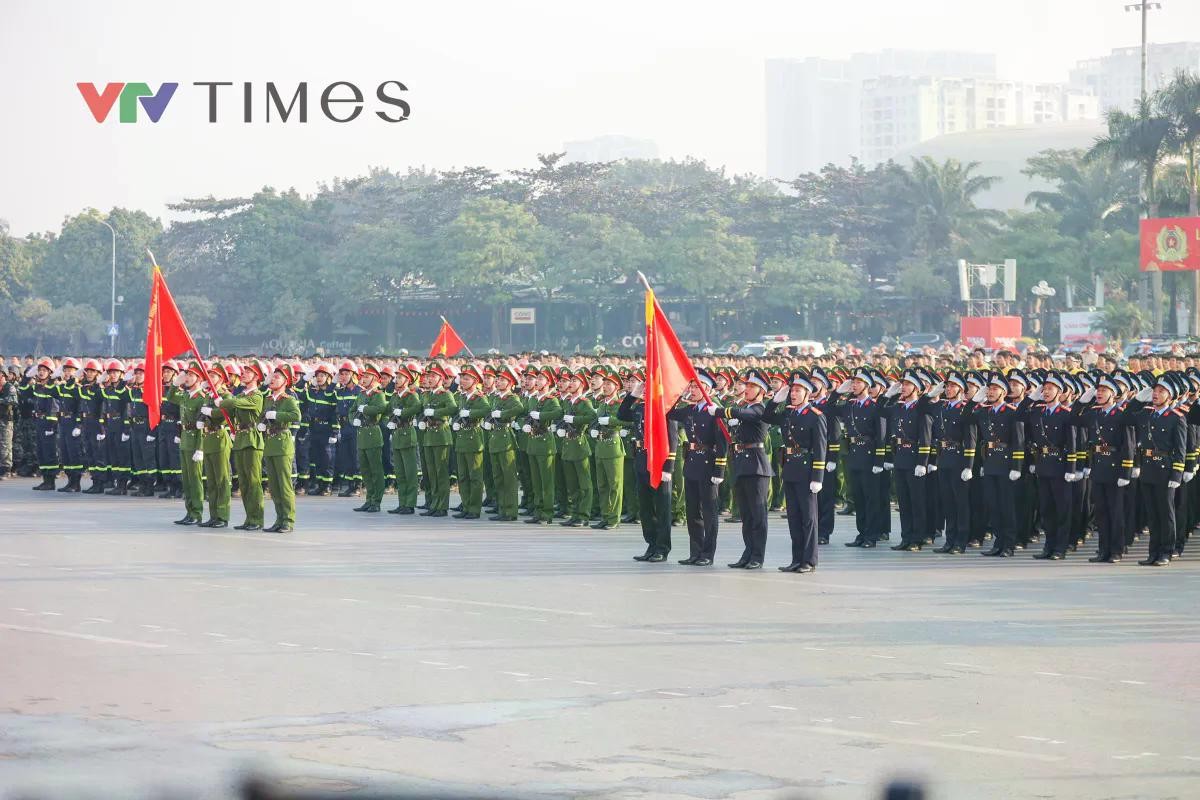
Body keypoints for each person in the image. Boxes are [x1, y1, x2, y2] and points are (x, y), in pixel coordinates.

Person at [762, 370, 827, 573]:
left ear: (807, 393)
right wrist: (775, 399)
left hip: (807, 471)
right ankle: (796, 559)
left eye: (798, 390)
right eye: (792, 390)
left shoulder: (816, 416)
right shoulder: (789, 413)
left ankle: (809, 561)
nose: (793, 394)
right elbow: (767, 416)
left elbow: (820, 448)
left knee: (808, 518)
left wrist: (817, 477)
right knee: (794, 518)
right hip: (790, 469)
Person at [709, 369, 773, 569]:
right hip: (741, 463)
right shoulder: (744, 407)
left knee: (758, 514)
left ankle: (757, 556)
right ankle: (747, 553)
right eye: (747, 385)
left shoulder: (760, 409)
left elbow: (745, 414)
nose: (747, 389)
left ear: (761, 391)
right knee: (746, 515)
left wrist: (720, 411)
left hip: (756, 465)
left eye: (752, 386)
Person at [667, 369, 726, 565]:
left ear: (706, 389)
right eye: (691, 386)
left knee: (709, 512)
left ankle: (708, 554)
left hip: (708, 464)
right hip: (692, 463)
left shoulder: (714, 410)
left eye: (696, 387)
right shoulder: (690, 409)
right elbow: (669, 412)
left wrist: (719, 470)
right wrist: (679, 396)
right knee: (692, 511)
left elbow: (722, 442)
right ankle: (696, 551)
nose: (692, 390)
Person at [617, 379, 677, 562]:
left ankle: (662, 547)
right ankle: (651, 544)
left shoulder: (665, 408)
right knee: (645, 506)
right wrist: (633, 394)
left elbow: (672, 439)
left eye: (648, 388)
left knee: (662, 507)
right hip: (642, 459)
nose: (645, 391)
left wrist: (669, 467)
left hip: (659, 461)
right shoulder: (641, 407)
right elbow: (622, 414)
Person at [831, 368, 886, 547]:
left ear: (867, 386)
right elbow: (829, 407)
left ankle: (872, 535)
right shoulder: (850, 405)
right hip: (854, 454)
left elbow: (881, 435)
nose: (854, 385)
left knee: (871, 499)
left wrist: (879, 461)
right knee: (859, 498)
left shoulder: (875, 406)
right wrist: (839, 391)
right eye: (853, 382)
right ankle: (861, 533)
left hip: (870, 456)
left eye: (858, 382)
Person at [973, 372, 1025, 558]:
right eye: (989, 389)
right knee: (993, 506)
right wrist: (977, 398)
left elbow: (1018, 441)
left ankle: (1008, 545)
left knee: (1007, 507)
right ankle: (998, 542)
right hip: (990, 464)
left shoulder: (1012, 412)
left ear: (1003, 392)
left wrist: (1016, 467)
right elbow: (966, 418)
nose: (991, 392)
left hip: (1006, 465)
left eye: (995, 389)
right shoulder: (984, 411)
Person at [928, 372, 977, 554]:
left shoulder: (965, 409)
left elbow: (971, 439)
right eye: (947, 386)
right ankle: (949, 540)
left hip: (959, 460)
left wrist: (969, 466)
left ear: (961, 390)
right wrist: (935, 391)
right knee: (948, 502)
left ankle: (960, 541)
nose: (948, 389)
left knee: (961, 503)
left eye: (952, 386)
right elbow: (922, 407)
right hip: (944, 459)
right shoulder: (942, 407)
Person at [219, 360, 266, 531]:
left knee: (254, 482)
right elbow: (230, 409)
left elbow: (233, 403)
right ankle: (249, 518)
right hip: (240, 440)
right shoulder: (241, 395)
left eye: (248, 372)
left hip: (252, 440)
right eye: (243, 371)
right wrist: (218, 394)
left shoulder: (257, 396)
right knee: (244, 483)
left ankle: (257, 519)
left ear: (256, 376)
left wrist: (224, 399)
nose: (243, 374)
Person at [261, 363, 302, 531]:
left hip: (283, 444)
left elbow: (295, 415)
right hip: (270, 444)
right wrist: (261, 423)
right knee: (274, 486)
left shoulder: (289, 399)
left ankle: (288, 521)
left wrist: (277, 415)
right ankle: (279, 519)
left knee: (284, 485)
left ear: (285, 382)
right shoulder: (269, 399)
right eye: (272, 376)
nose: (272, 379)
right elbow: (263, 415)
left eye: (277, 377)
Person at [168, 361, 209, 525]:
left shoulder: (202, 399)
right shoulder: (185, 395)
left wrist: (200, 448)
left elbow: (203, 426)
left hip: (195, 442)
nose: (187, 378)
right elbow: (171, 397)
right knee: (186, 479)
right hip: (185, 440)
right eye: (187, 374)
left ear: (199, 379)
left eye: (191, 375)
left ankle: (197, 513)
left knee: (195, 479)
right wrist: (175, 384)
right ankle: (189, 511)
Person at [522, 367, 562, 525]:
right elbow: (525, 414)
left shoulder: (551, 399)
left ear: (548, 382)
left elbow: (558, 413)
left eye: (541, 379)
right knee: (536, 481)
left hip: (545, 442)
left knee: (546, 481)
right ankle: (538, 511)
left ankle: (547, 513)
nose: (537, 381)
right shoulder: (533, 399)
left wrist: (541, 416)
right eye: (536, 379)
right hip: (533, 442)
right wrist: (524, 424)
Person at [485, 365, 525, 521]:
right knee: (498, 478)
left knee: (508, 478)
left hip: (506, 439)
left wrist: (502, 414)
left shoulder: (512, 398)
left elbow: (520, 408)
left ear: (510, 383)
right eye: (498, 379)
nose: (498, 382)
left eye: (502, 380)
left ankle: (510, 511)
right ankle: (502, 508)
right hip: (495, 439)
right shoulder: (496, 397)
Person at [558, 369, 597, 527]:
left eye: (575, 381)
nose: (571, 383)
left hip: (579, 444)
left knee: (584, 484)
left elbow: (591, 417)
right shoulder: (569, 401)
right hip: (568, 445)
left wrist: (575, 419)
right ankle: (575, 513)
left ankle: (583, 515)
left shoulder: (584, 402)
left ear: (582, 385)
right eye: (571, 380)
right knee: (572, 484)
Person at [419, 363, 458, 517]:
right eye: (428, 376)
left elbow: (453, 408)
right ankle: (434, 504)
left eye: (433, 376)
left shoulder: (445, 394)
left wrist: (435, 412)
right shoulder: (427, 394)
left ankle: (442, 506)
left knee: (441, 472)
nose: (429, 379)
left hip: (441, 434)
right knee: (432, 472)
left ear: (441, 379)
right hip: (429, 435)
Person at [590, 369, 627, 530]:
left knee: (615, 485)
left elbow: (627, 421)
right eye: (604, 384)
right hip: (600, 446)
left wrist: (610, 420)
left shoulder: (620, 404)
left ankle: (614, 518)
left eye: (608, 384)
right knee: (602, 485)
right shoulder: (602, 403)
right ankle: (605, 516)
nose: (604, 387)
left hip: (613, 446)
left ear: (617, 387)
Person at [452, 363, 490, 519]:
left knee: (475, 477)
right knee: (463, 476)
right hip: (462, 439)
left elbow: (487, 410)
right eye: (462, 378)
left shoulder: (479, 397)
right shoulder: (462, 396)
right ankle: (466, 506)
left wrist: (471, 413)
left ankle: (474, 509)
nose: (463, 381)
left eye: (466, 379)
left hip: (474, 439)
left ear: (475, 381)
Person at [197, 363, 233, 528]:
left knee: (222, 480)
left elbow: (227, 414)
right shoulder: (209, 396)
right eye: (209, 376)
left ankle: (222, 516)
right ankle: (213, 515)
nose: (209, 378)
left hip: (219, 436)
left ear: (221, 379)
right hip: (208, 437)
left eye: (213, 376)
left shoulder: (226, 396)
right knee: (211, 480)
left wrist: (211, 412)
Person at [386, 364, 423, 515]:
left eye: (399, 378)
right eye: (396, 377)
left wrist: (402, 412)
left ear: (407, 380)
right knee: (400, 473)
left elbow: (417, 408)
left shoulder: (411, 395)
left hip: (408, 434)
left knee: (410, 473)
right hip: (397, 435)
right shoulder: (395, 396)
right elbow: (388, 409)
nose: (396, 380)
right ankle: (402, 502)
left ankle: (410, 503)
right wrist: (391, 419)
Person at [351, 363, 388, 513]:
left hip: (373, 433)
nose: (363, 379)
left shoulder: (378, 394)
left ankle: (376, 501)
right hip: (362, 435)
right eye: (363, 376)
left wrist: (365, 409)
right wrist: (353, 419)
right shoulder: (361, 394)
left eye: (367, 376)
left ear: (374, 378)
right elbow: (352, 410)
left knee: (375, 470)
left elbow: (381, 408)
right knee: (365, 470)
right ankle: (368, 499)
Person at [29, 357, 60, 491]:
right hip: (40, 422)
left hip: (49, 423)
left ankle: (50, 481)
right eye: (40, 370)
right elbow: (25, 392)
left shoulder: (53, 387)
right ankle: (45, 479)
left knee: (49, 452)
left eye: (44, 370)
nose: (41, 372)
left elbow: (54, 408)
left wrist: (51, 426)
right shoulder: (38, 386)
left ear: (50, 372)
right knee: (41, 452)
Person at [0, 369, 16, 479]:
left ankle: (6, 469)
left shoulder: (9, 387)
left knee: (5, 445)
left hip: (6, 420)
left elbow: (13, 400)